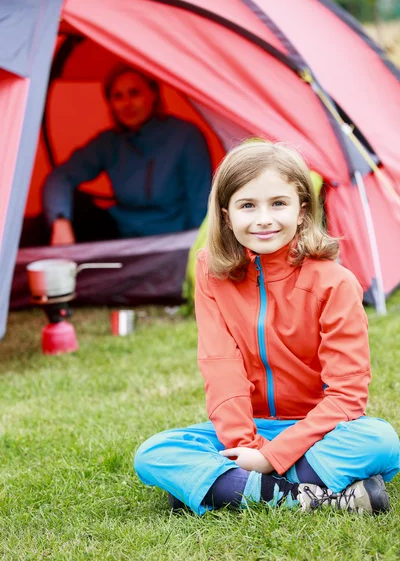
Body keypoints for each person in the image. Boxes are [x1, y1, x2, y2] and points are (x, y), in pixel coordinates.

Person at [134, 140, 400, 515]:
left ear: (302, 211)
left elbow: (347, 397)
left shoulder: (335, 283)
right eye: (248, 206)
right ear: (226, 215)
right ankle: (313, 496)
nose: (264, 219)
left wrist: (270, 456)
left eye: (278, 203)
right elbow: (220, 367)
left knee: (380, 441)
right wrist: (248, 445)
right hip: (249, 427)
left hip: (318, 431)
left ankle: (225, 489)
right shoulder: (212, 273)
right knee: (154, 454)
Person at [42, 65, 212, 245]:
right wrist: (59, 221)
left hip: (171, 240)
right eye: (118, 96)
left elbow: (201, 205)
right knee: (67, 207)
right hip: (122, 236)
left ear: (153, 94)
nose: (127, 104)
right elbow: (60, 177)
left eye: (134, 93)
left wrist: (197, 254)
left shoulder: (185, 136)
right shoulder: (110, 142)